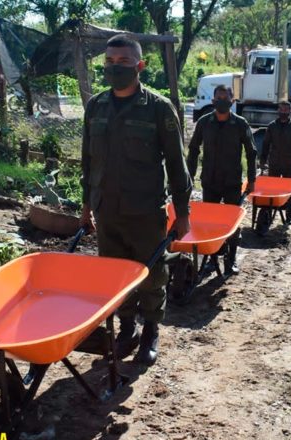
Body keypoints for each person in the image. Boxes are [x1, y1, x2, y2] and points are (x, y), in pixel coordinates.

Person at [80, 34, 192, 366]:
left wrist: (182, 214)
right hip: (107, 212)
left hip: (145, 213)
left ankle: (150, 332)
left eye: (124, 62)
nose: (116, 68)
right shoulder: (95, 106)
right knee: (114, 277)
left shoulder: (158, 109)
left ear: (140, 66)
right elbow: (88, 162)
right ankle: (126, 328)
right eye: (110, 63)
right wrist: (86, 208)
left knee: (152, 275)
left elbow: (177, 165)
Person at [187, 85, 257, 276]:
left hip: (232, 182)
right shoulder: (204, 122)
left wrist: (251, 180)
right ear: (213, 101)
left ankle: (231, 259)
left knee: (231, 224)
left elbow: (251, 153)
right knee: (210, 224)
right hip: (210, 181)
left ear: (232, 101)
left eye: (225, 98)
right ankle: (212, 259)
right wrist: (189, 177)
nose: (221, 101)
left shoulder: (240, 124)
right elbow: (193, 150)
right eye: (218, 97)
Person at [260, 101, 291, 223]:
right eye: (282, 109)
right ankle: (268, 214)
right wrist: (262, 161)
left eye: (286, 110)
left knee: (289, 190)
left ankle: (289, 216)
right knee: (271, 190)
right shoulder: (272, 126)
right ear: (278, 111)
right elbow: (265, 145)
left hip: (289, 163)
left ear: (290, 111)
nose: (284, 112)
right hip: (274, 163)